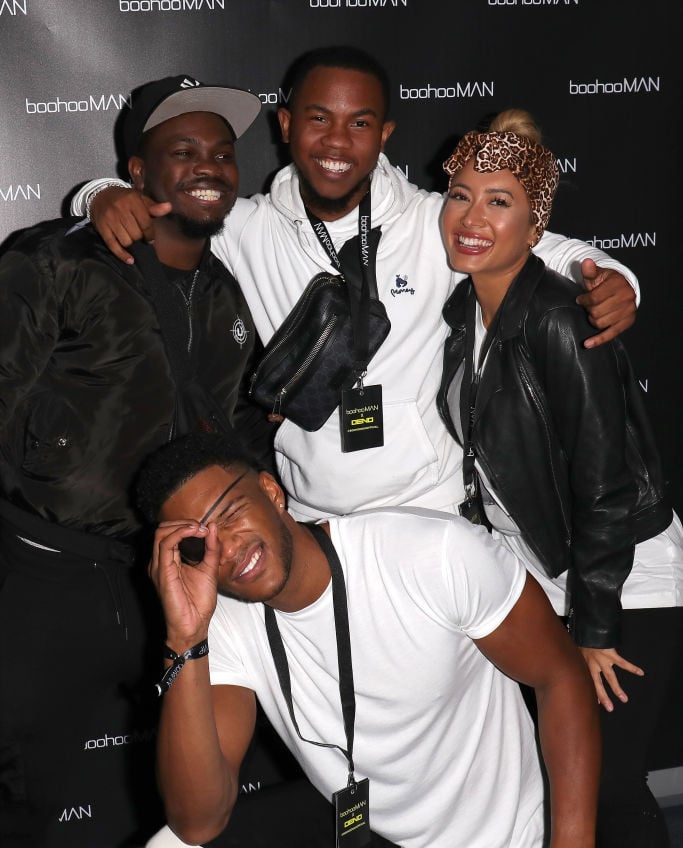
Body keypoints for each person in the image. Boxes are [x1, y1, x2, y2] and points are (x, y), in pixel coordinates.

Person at [135, 429, 608, 848]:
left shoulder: (431, 553)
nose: (227, 550)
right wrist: (184, 641)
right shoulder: (222, 622)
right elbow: (198, 819)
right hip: (360, 829)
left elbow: (562, 679)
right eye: (198, 542)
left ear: (271, 493)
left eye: (230, 514)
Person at [72, 46, 640, 526]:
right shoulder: (246, 227)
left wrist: (615, 278)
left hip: (433, 508)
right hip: (314, 515)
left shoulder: (435, 220)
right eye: (319, 119)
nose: (337, 142)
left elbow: (548, 247)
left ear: (385, 134)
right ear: (286, 125)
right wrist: (97, 195)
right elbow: (153, 208)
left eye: (360, 123)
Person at [0, 75, 265, 848]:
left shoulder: (224, 291)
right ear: (135, 171)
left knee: (218, 774)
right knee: (19, 789)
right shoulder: (58, 260)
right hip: (51, 570)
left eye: (221, 152)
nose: (208, 166)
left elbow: (223, 429)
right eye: (182, 151)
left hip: (178, 576)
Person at [436, 109, 683, 848]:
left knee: (607, 785)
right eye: (461, 196)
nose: (472, 217)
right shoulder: (460, 308)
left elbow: (606, 488)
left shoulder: (556, 319)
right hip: (536, 571)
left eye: (499, 202)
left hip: (623, 575)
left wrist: (594, 628)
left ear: (536, 225)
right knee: (526, 770)